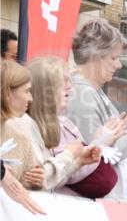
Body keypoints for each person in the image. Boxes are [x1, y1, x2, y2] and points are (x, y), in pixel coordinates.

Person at [66, 18, 127, 199]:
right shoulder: (81, 95)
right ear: (95, 56)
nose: (119, 65)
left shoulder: (92, 92)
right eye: (114, 58)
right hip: (92, 205)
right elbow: (93, 156)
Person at [27, 57, 125, 197]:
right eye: (63, 81)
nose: (69, 86)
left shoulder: (65, 123)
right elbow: (43, 179)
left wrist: (85, 155)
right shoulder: (27, 128)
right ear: (45, 91)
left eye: (69, 80)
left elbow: (60, 175)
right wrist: (99, 143)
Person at [2, 59, 101, 191]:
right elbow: (32, 183)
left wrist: (77, 162)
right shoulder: (17, 124)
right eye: (26, 91)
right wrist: (69, 155)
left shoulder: (22, 123)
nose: (30, 98)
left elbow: (40, 180)